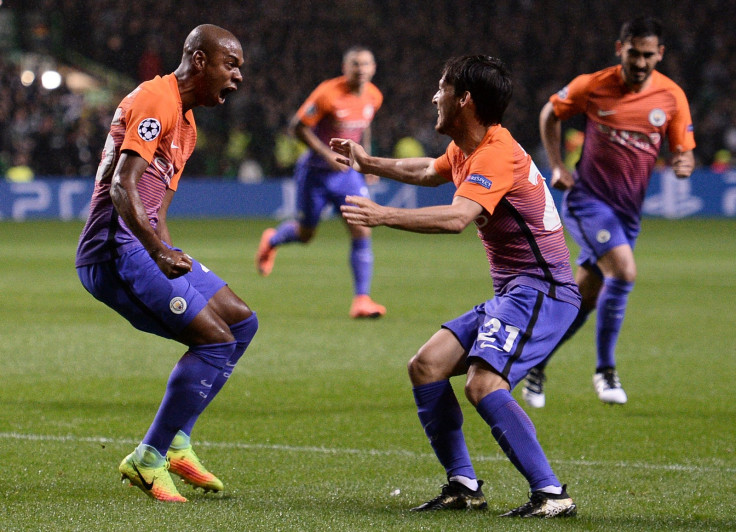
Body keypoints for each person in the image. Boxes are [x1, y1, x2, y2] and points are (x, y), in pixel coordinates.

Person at [331, 55, 581, 518]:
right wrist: (369, 163)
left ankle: (550, 493)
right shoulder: (470, 147)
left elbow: (457, 218)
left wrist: (383, 214)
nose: (434, 96)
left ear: (464, 99)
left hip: (543, 292)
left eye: (441, 87)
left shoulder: (495, 153)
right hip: (516, 294)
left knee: (483, 383)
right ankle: (464, 486)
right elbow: (427, 170)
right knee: (426, 365)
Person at [75, 24, 258, 503]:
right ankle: (148, 458)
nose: (237, 77)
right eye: (231, 65)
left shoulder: (189, 124)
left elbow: (158, 209)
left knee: (241, 322)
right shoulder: (157, 99)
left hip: (144, 245)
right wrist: (157, 253)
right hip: (114, 251)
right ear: (199, 60)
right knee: (214, 341)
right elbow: (121, 186)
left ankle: (177, 440)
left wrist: (174, 257)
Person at [522, 16, 696, 409]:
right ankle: (605, 371)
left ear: (660, 55)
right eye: (634, 53)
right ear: (620, 49)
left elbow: (682, 148)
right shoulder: (593, 85)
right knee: (625, 271)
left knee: (583, 300)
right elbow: (550, 113)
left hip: (627, 215)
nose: (640, 62)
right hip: (587, 202)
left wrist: (684, 162)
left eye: (648, 55)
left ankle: (535, 363)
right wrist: (557, 165)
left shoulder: (672, 97)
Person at [255, 46, 386, 319]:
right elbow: (297, 127)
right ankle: (273, 239)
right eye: (355, 64)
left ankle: (362, 300)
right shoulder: (328, 93)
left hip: (347, 176)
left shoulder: (374, 96)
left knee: (362, 230)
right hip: (315, 174)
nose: (360, 69)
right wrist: (327, 155)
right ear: (345, 67)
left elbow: (365, 129)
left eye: (365, 64)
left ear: (373, 68)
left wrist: (367, 161)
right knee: (306, 234)